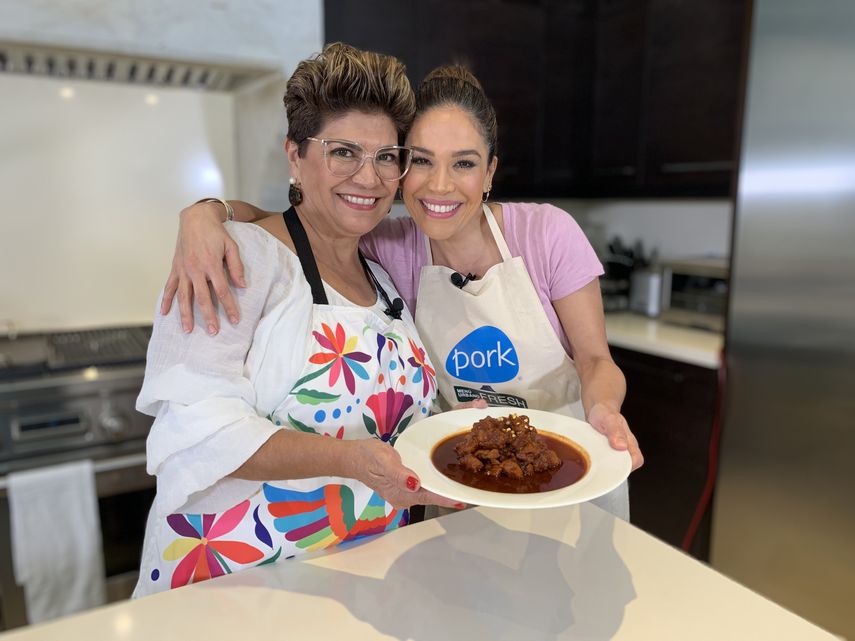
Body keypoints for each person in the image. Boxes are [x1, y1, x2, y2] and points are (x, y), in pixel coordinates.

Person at [163, 64, 643, 519]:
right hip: (462, 485)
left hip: (567, 476)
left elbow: (594, 360)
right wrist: (207, 213)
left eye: (464, 163)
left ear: (490, 172)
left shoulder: (546, 234)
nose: (440, 185)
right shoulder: (389, 245)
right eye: (421, 161)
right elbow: (300, 218)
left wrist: (604, 410)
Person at [133, 43, 469, 598]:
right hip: (232, 585)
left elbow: (391, 421)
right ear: (295, 157)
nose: (369, 177)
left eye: (387, 156)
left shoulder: (382, 277)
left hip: (360, 582)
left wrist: (455, 430)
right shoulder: (236, 256)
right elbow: (198, 431)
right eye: (343, 152)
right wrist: (351, 461)